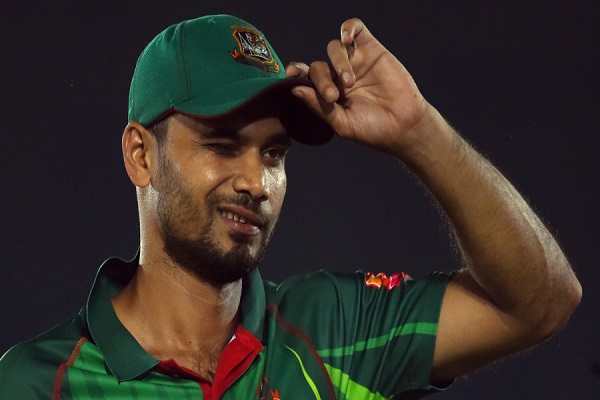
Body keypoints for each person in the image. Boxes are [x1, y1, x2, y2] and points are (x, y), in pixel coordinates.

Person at [0, 14, 581, 399]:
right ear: (140, 155)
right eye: (222, 145)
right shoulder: (37, 384)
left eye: (273, 153)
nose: (257, 182)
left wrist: (419, 132)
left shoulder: (333, 329)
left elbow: (538, 304)